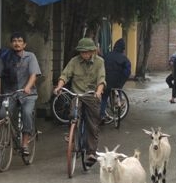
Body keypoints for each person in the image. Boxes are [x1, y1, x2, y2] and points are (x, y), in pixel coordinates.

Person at [54, 37, 106, 167]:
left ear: (93, 51)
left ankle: (91, 152)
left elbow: (101, 79)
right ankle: (72, 134)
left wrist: (98, 92)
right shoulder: (74, 61)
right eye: (82, 52)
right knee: (73, 115)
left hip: (91, 95)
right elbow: (65, 74)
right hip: (77, 94)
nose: (84, 54)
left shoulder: (100, 62)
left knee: (92, 124)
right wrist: (59, 85)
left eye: (87, 52)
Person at [0, 32, 41, 156]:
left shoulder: (30, 57)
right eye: (14, 41)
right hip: (11, 93)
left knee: (27, 113)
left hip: (28, 94)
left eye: (19, 41)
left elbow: (34, 75)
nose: (16, 43)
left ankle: (25, 142)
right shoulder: (6, 57)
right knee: (3, 114)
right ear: (11, 43)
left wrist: (28, 87)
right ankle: (13, 135)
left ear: (24, 44)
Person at [100, 38, 131, 121]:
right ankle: (119, 101)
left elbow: (100, 67)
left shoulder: (106, 56)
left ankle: (102, 115)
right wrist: (122, 81)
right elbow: (127, 71)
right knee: (118, 89)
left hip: (106, 81)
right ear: (123, 49)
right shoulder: (124, 58)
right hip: (117, 82)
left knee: (104, 97)